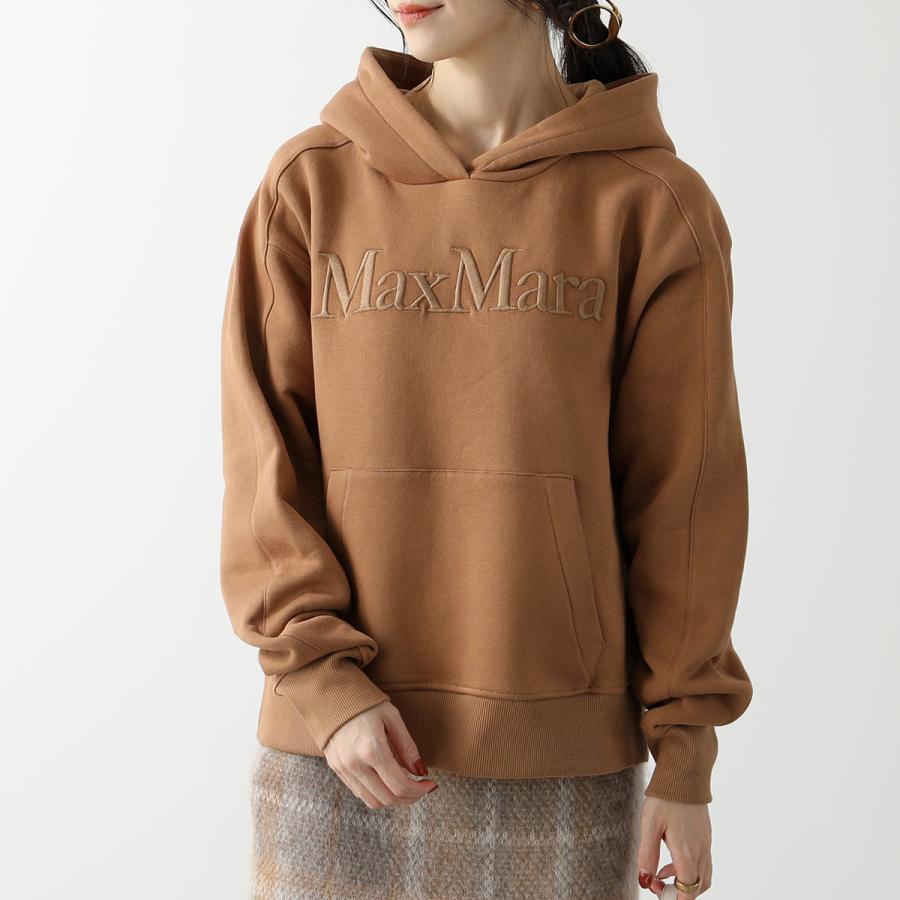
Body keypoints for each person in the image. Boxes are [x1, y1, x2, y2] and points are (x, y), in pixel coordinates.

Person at [218, 2, 753, 897]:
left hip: (560, 764)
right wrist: (323, 681)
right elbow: (263, 463)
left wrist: (685, 755)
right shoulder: (311, 183)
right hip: (337, 754)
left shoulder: (652, 205)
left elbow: (685, 500)